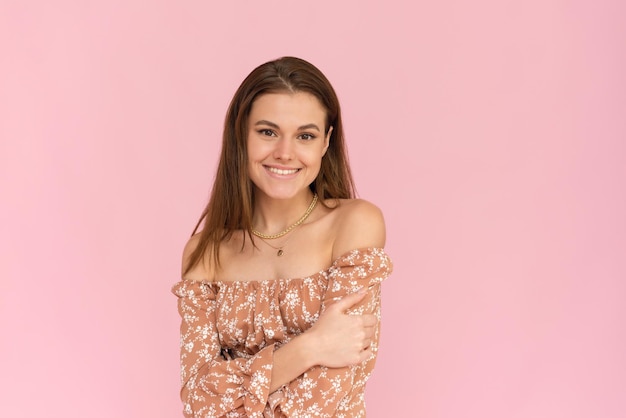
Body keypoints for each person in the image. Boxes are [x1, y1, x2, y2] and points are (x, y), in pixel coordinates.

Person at [172, 56, 393, 417]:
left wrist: (235, 390)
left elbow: (330, 391)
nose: (285, 153)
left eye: (305, 135)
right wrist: (310, 347)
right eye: (268, 132)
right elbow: (198, 401)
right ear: (241, 135)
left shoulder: (355, 225)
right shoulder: (204, 253)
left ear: (325, 142)